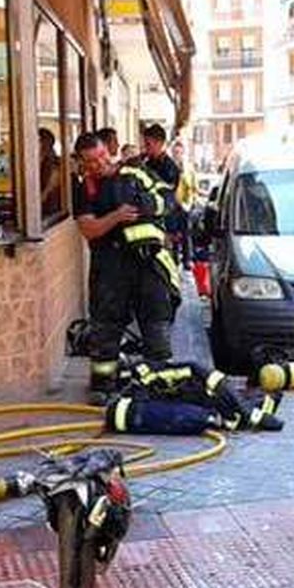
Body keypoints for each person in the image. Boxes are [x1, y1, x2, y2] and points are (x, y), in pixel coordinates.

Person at [73, 131, 180, 401]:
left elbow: (167, 199)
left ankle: (159, 384)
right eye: (91, 162)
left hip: (147, 265)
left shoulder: (136, 174)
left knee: (156, 324)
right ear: (83, 164)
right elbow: (89, 229)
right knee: (106, 328)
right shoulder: (84, 188)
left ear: (107, 151)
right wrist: (117, 217)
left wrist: (146, 205)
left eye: (101, 156)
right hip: (110, 268)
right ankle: (102, 386)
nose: (99, 164)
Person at [39, 128, 63, 221]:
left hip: (50, 212)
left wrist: (38, 201)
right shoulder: (35, 160)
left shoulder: (54, 163)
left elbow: (50, 187)